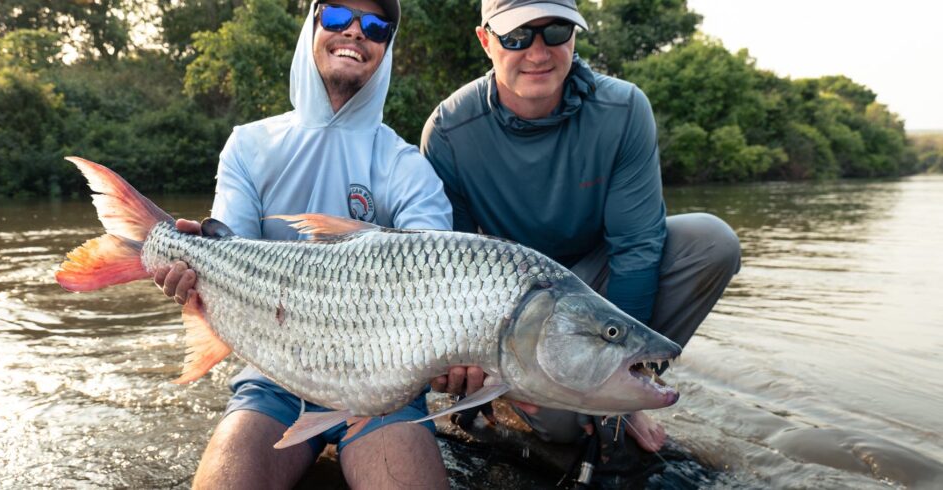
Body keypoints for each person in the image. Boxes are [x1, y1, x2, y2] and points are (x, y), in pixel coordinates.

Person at [420, 0, 741, 463]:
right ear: (485, 41)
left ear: (574, 36)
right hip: (510, 307)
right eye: (516, 36)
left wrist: (625, 393)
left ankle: (624, 392)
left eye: (555, 32)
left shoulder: (624, 109)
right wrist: (482, 375)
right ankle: (524, 399)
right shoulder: (448, 131)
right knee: (562, 427)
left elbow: (636, 250)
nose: (538, 52)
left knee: (713, 243)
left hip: (594, 287)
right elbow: (448, 277)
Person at [154, 1, 453, 488]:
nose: (355, 32)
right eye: (337, 16)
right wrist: (190, 274)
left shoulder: (407, 166)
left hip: (383, 388)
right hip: (274, 378)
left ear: (387, 47)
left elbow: (442, 283)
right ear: (312, 26)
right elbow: (227, 257)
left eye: (376, 26)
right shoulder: (248, 145)